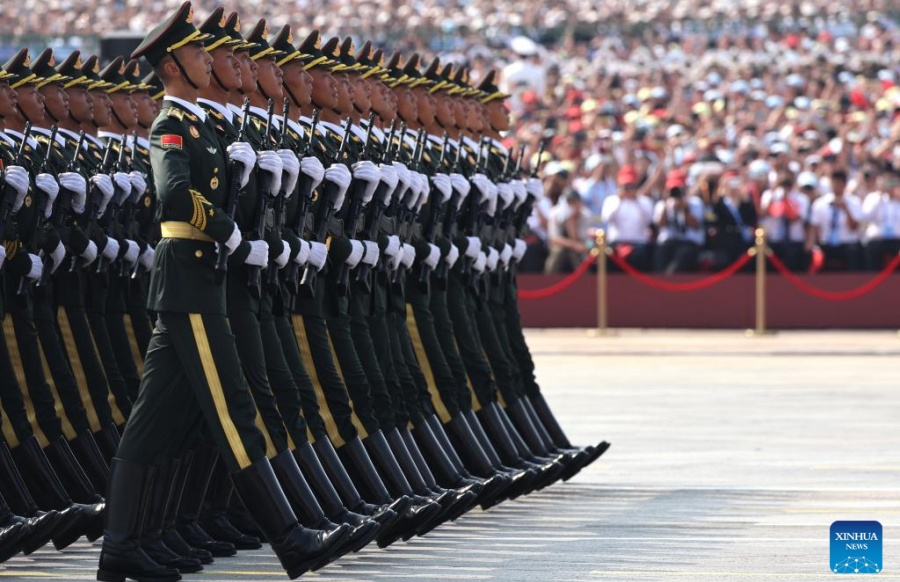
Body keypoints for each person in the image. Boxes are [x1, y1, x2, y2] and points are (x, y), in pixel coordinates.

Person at [98, 4, 346, 581]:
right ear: (172, 65)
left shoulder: (203, 124)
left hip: (196, 282)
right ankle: (290, 540)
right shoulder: (170, 124)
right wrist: (229, 232)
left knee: (151, 425)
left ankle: (118, 549)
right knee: (234, 410)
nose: (208, 60)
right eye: (197, 53)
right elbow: (173, 194)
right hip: (189, 279)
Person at [809, 169, 863, 271]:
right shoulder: (820, 203)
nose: (836, 186)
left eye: (839, 183)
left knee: (854, 252)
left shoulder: (854, 202)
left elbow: (854, 227)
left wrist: (846, 209)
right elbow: (815, 227)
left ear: (844, 184)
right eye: (834, 183)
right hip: (826, 244)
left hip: (847, 244)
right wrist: (813, 246)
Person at [601, 164, 653, 271]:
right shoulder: (611, 200)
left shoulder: (644, 201)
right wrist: (619, 200)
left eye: (631, 186)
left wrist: (636, 201)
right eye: (626, 186)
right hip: (616, 244)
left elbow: (648, 220)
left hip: (639, 245)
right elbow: (606, 219)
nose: (628, 190)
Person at [653, 169, 704, 273]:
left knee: (685, 254)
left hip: (689, 243)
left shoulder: (695, 203)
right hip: (668, 242)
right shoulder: (662, 205)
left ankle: (669, 277)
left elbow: (696, 225)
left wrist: (685, 209)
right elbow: (660, 225)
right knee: (661, 252)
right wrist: (667, 206)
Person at [544, 189, 591, 274]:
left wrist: (572, 222)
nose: (571, 205)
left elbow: (585, 240)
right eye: (569, 202)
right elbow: (554, 238)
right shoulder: (555, 214)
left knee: (580, 255)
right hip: (560, 245)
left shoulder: (586, 216)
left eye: (574, 202)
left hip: (580, 245)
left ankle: (584, 278)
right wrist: (573, 245)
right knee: (558, 252)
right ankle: (549, 277)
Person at [861, 171, 900, 270]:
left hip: (897, 239)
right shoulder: (873, 197)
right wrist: (880, 197)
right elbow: (866, 216)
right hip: (878, 238)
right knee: (872, 249)